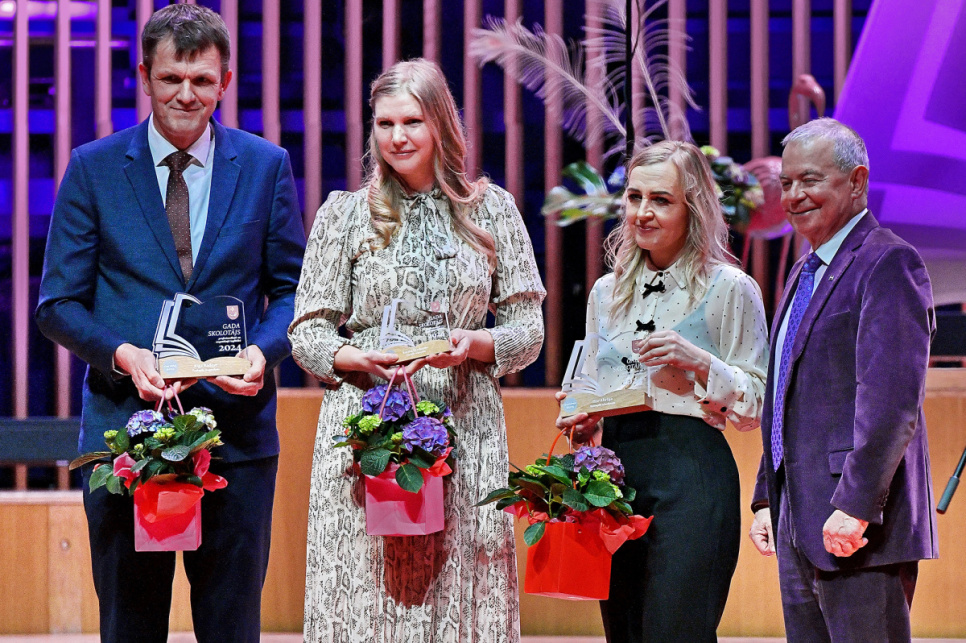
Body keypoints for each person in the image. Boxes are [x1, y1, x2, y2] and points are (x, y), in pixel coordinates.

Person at [35, 5, 305, 642]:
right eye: (171, 78)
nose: (187, 94)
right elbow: (57, 304)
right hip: (126, 437)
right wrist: (123, 355)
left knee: (231, 628)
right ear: (143, 77)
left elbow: (295, 292)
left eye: (202, 80)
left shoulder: (265, 166)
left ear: (225, 82)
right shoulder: (94, 168)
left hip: (236, 437)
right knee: (130, 627)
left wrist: (263, 353)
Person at [288, 58, 545, 642]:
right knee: (367, 597)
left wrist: (476, 343)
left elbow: (528, 330)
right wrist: (355, 359)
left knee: (459, 587)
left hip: (465, 423)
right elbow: (307, 335)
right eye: (385, 124)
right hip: (366, 427)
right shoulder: (343, 214)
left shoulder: (492, 209)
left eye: (412, 122)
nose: (397, 137)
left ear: (441, 125)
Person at [558, 140, 769, 642]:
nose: (642, 212)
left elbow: (757, 405)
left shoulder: (730, 287)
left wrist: (700, 362)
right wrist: (582, 421)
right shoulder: (606, 292)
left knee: (677, 632)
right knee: (625, 633)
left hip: (692, 473)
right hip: (615, 476)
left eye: (661, 200)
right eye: (634, 197)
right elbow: (591, 385)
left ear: (693, 208)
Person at [748, 117, 938, 641]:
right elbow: (785, 394)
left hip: (858, 525)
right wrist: (767, 497)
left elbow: (891, 404)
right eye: (786, 182)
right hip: (797, 518)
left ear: (857, 181)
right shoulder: (803, 271)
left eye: (809, 180)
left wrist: (855, 507)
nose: (793, 196)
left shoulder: (889, 261)